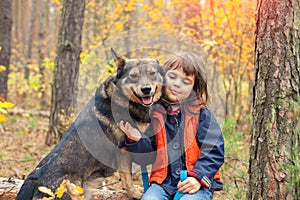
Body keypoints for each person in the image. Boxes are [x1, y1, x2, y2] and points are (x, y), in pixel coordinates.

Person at [118, 52, 224, 200]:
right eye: (172, 77)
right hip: (163, 183)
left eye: (186, 82)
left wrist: (198, 178)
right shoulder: (155, 115)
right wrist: (137, 141)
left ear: (194, 88)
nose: (177, 84)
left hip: (194, 184)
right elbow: (147, 156)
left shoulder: (202, 115)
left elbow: (214, 152)